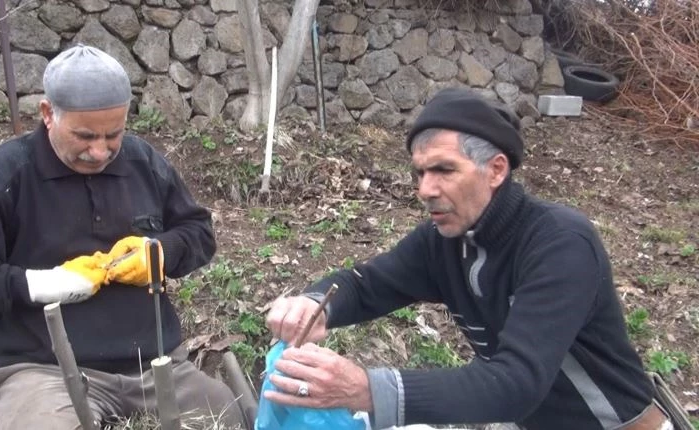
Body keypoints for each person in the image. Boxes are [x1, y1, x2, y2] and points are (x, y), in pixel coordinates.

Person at [264, 88, 671, 430]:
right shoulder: (443, 240)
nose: (426, 189)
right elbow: (367, 285)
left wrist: (366, 390)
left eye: (443, 170)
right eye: (419, 173)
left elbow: (516, 383)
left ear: (495, 170)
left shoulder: (559, 243)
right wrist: (314, 305)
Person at [0, 45, 246, 429]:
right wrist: (41, 284)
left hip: (156, 365)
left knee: (229, 417)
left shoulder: (142, 162)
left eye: (113, 135)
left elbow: (199, 232)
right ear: (48, 114)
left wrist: (160, 253)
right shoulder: (3, 176)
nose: (100, 152)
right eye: (85, 136)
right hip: (44, 371)